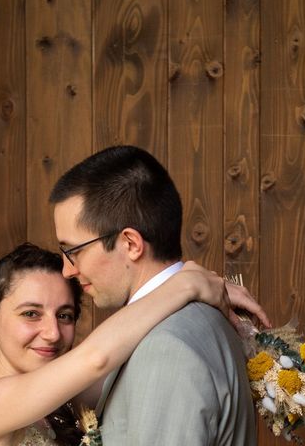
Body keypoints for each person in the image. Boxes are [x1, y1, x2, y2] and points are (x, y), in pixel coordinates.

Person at [50, 145, 259, 445]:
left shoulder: (167, 348)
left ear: (131, 244)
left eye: (73, 251)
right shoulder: (201, 316)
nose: (68, 270)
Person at [0, 242, 238, 445]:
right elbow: (97, 357)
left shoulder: (66, 402)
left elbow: (133, 349)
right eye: (31, 314)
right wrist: (187, 284)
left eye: (65, 315)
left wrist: (207, 297)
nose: (52, 333)